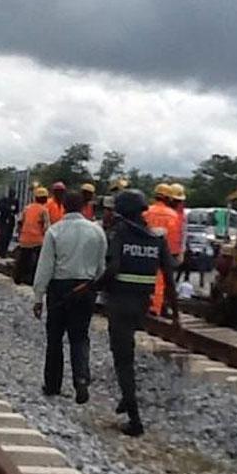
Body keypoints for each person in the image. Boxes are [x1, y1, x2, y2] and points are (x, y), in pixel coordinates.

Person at [100, 189, 179, 436]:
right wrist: (176, 315)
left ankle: (135, 421)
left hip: (120, 303)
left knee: (123, 359)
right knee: (128, 354)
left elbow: (112, 268)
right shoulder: (156, 239)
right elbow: (169, 277)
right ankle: (127, 396)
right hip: (142, 305)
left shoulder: (120, 234)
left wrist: (93, 286)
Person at [33, 191, 107, 403]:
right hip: (86, 287)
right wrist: (94, 289)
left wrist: (38, 297)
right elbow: (102, 266)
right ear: (84, 207)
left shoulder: (54, 231)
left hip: (59, 288)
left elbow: (45, 267)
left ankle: (52, 385)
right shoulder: (97, 231)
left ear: (63, 207)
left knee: (55, 338)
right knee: (80, 337)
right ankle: (81, 379)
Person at [145, 183, 187, 315]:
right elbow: (177, 235)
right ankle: (158, 307)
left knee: (155, 280)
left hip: (149, 250)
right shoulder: (173, 215)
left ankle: (155, 306)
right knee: (164, 281)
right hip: (168, 252)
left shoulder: (146, 212)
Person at [15, 187, 51, 285]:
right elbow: (46, 227)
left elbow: (20, 222)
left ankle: (18, 277)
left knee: (22, 260)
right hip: (37, 240)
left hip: (24, 239)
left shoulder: (27, 208)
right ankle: (31, 279)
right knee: (36, 262)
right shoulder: (44, 210)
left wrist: (19, 234)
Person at [0, 189, 20, 258]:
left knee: (6, 236)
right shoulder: (4, 200)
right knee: (4, 236)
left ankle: (3, 251)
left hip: (8, 219)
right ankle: (2, 250)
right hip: (4, 219)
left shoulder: (15, 201)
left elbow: (16, 211)